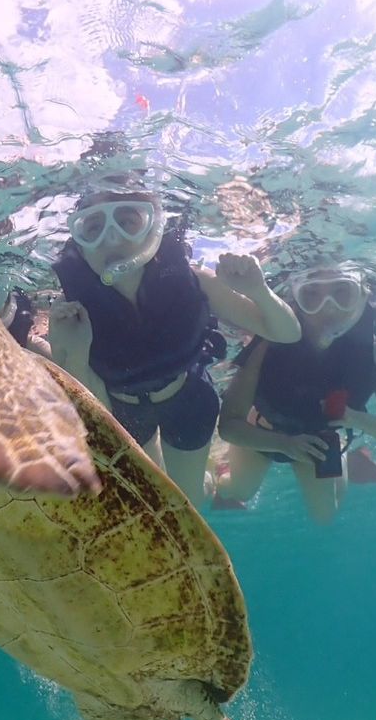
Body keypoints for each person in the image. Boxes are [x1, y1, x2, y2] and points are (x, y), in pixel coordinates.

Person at [47, 178, 301, 506]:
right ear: (80, 246)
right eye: (93, 228)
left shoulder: (195, 282)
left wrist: (258, 291)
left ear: (153, 229)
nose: (112, 238)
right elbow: (93, 410)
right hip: (123, 412)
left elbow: (288, 333)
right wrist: (77, 354)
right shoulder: (69, 314)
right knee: (152, 500)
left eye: (128, 221)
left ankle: (209, 479)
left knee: (188, 502)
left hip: (187, 403)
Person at [214, 262, 376, 523]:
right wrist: (285, 444)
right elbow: (229, 426)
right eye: (311, 295)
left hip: (318, 444)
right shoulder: (269, 342)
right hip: (263, 432)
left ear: (363, 295)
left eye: (342, 292)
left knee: (325, 516)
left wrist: (356, 419)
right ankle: (220, 464)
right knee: (237, 491)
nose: (328, 308)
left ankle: (346, 457)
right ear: (296, 299)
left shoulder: (373, 353)